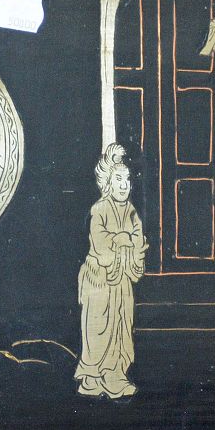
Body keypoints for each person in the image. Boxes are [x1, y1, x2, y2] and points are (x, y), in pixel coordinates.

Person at [75, 144, 147, 398]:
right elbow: (100, 242)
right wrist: (119, 239)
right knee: (98, 327)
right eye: (118, 179)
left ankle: (115, 373)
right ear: (107, 183)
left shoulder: (131, 211)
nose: (124, 185)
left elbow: (138, 239)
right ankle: (92, 376)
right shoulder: (99, 210)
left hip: (122, 280)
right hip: (100, 280)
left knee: (121, 326)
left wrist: (132, 244)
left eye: (127, 180)